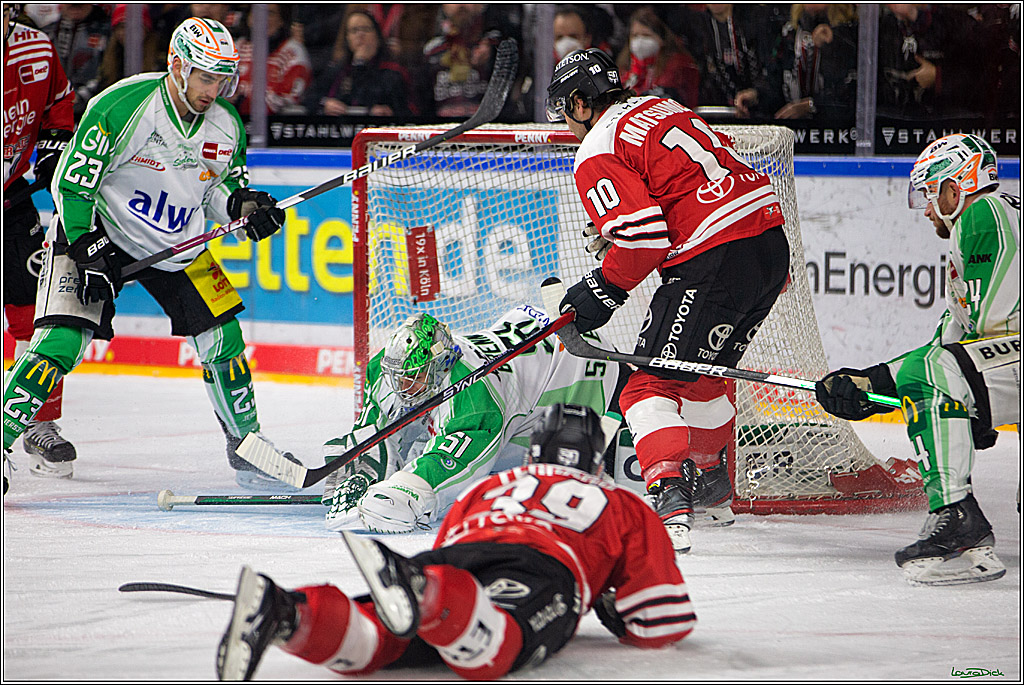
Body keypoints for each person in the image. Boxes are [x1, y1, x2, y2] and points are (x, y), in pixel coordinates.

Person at [1, 17, 299, 491]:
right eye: (205, 76)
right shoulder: (123, 106)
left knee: (224, 340)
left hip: (176, 243)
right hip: (97, 231)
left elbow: (218, 191)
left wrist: (245, 208)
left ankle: (247, 445)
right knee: (61, 343)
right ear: (177, 66)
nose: (214, 89)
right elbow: (72, 185)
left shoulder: (227, 124)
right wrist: (86, 244)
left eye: (222, 78)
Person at [215, 404, 696, 681]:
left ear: (535, 451)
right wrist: (610, 605)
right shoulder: (621, 503)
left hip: (453, 560)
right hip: (541, 566)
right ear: (595, 461)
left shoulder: (489, 487)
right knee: (497, 648)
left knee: (379, 639)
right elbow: (661, 624)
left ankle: (289, 614)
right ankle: (425, 591)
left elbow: (452, 547)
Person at [546, 48, 790, 554]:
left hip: (714, 256)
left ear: (579, 102)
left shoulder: (596, 147)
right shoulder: (663, 107)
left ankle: (670, 499)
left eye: (564, 111)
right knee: (700, 377)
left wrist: (601, 291)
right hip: (767, 246)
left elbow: (645, 239)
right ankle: (713, 485)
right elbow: (693, 180)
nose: (566, 125)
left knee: (646, 386)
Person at [816, 134, 1019, 586]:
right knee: (934, 370)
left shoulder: (981, 215)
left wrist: (961, 406)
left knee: (933, 372)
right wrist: (870, 384)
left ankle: (956, 513)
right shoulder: (1002, 213)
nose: (927, 209)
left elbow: (969, 349)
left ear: (955, 189)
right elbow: (952, 344)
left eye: (930, 195)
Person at [322, 305, 626, 534]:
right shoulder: (391, 367)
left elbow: (457, 467)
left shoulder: (475, 396)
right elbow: (378, 427)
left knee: (559, 492)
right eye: (399, 378)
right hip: (533, 357)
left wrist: (404, 489)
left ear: (441, 365)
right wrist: (363, 470)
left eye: (414, 378)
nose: (403, 387)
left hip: (591, 380)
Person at [3, 3, 76, 478]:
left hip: (12, 205)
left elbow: (59, 112)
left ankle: (37, 423)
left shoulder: (37, 48)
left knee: (35, 312)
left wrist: (52, 153)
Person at [305, 8, 414, 117]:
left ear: (377, 35)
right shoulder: (337, 69)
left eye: (365, 29)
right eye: (354, 30)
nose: (360, 35)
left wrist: (361, 65)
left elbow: (405, 108)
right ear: (347, 38)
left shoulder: (393, 71)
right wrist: (325, 104)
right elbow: (309, 98)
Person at [769, 4, 859, 121]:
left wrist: (812, 105)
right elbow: (773, 78)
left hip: (835, 129)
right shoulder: (789, 31)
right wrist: (757, 95)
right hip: (792, 127)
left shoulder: (851, 33)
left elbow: (851, 93)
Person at [232, 4, 311, 114]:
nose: (262, 18)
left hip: (276, 124)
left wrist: (243, 103)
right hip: (236, 119)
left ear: (281, 20)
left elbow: (289, 100)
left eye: (270, 13)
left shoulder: (293, 53)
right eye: (256, 12)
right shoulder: (237, 48)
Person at [617, 6, 699, 109]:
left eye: (646, 35)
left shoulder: (677, 64)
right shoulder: (626, 65)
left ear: (661, 38)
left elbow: (666, 98)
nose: (639, 41)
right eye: (635, 35)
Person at [39, 3, 110, 121]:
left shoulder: (105, 32)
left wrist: (79, 98)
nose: (75, 5)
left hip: (93, 113)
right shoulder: (45, 33)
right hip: (51, 115)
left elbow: (107, 73)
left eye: (80, 4)